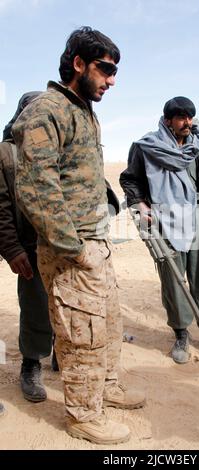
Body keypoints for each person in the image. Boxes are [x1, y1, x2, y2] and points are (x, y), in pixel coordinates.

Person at [13, 26, 144, 446]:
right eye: (105, 69)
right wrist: (75, 248)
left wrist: (96, 244)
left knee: (105, 325)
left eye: (114, 72)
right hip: (72, 250)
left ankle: (107, 388)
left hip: (95, 244)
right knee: (81, 333)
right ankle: (84, 415)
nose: (111, 80)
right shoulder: (45, 112)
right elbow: (36, 188)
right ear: (78, 64)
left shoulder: (84, 112)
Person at [120, 96, 199, 364]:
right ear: (168, 120)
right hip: (165, 218)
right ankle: (181, 334)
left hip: (194, 217)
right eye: (181, 117)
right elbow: (130, 179)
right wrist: (140, 204)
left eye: (190, 117)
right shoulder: (146, 146)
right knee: (173, 281)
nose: (187, 122)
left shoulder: (198, 146)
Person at [0, 92, 55, 404]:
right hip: (30, 247)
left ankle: (63, 354)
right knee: (35, 306)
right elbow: (1, 207)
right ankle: (32, 363)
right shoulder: (5, 153)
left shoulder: (64, 148)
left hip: (66, 246)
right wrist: (11, 248)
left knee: (69, 304)